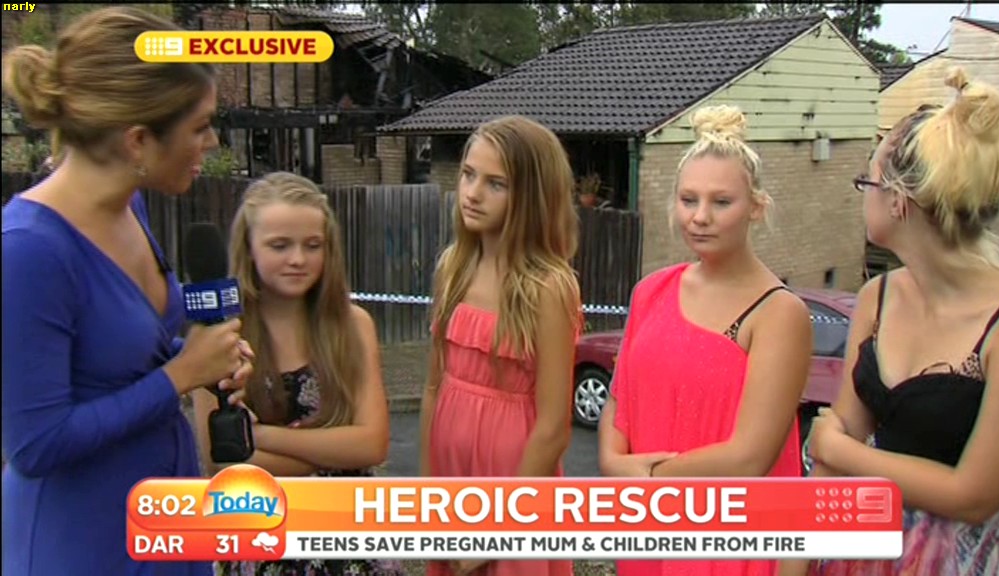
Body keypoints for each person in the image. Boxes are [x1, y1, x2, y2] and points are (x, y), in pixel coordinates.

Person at [1, 7, 251, 576]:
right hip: (84, 546)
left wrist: (209, 354)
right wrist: (181, 374)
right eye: (200, 127)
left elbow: (120, 342)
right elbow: (35, 444)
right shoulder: (28, 252)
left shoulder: (130, 207)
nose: (212, 142)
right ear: (138, 140)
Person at [783, 68, 999, 576]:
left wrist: (845, 453)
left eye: (866, 180)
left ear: (897, 199)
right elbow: (837, 441)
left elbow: (974, 494)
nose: (861, 194)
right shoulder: (878, 296)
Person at [598, 105, 812, 576]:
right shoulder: (651, 291)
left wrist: (649, 477)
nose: (700, 217)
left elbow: (751, 456)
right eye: (688, 199)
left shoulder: (778, 313)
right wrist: (612, 461)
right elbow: (619, 399)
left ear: (756, 207)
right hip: (649, 530)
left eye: (721, 202)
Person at [195, 172, 404, 576]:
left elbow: (371, 444)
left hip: (349, 538)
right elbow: (222, 462)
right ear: (249, 248)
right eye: (280, 245)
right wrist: (325, 459)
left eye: (312, 245)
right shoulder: (220, 335)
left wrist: (258, 437)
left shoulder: (353, 325)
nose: (298, 259)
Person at [419, 115, 583, 576]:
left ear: (531, 196)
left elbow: (553, 427)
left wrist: (499, 528)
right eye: (468, 174)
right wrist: (427, 493)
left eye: (496, 184)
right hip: (451, 471)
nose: (472, 193)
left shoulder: (548, 287)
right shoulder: (453, 267)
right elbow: (432, 387)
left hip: (515, 481)